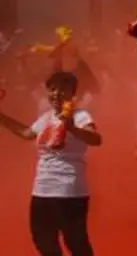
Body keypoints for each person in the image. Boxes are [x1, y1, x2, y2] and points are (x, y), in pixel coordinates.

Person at [0, 70, 101, 256]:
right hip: (42, 188)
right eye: (53, 89)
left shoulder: (80, 115)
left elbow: (96, 139)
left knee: (75, 241)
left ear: (73, 93)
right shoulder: (46, 117)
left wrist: (71, 127)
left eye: (63, 89)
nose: (56, 93)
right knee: (42, 238)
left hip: (69, 189)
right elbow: (26, 133)